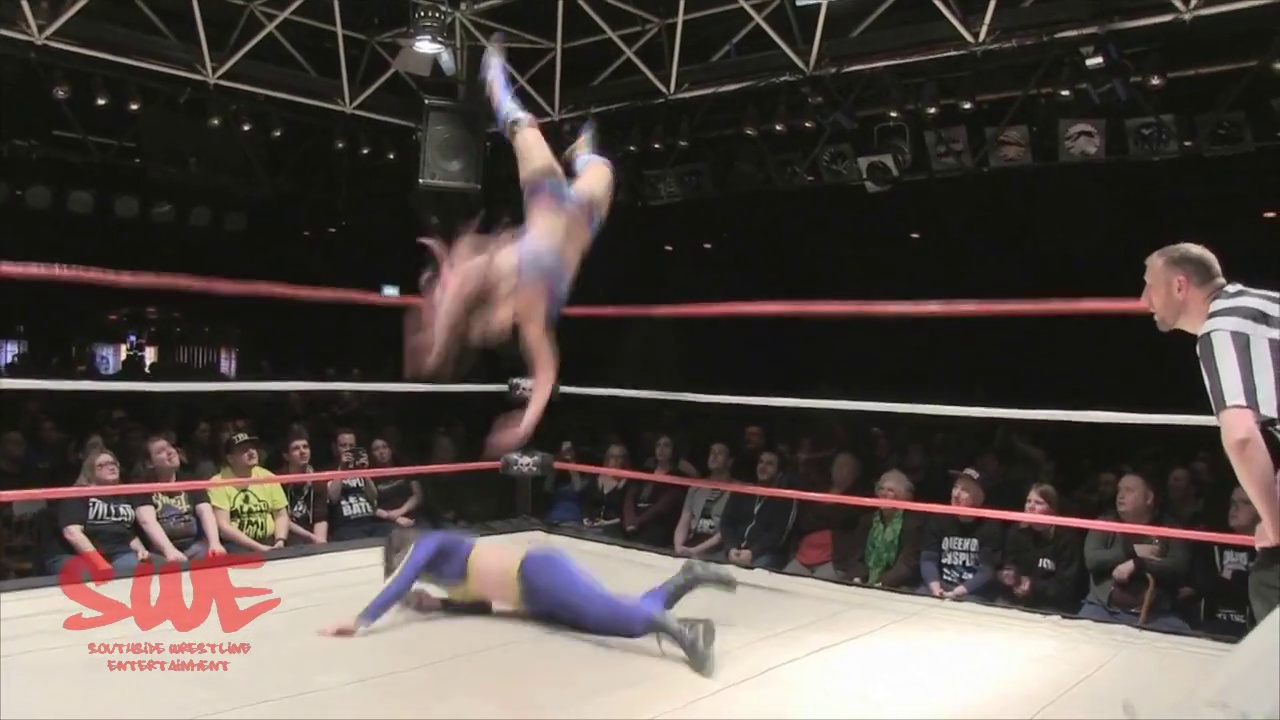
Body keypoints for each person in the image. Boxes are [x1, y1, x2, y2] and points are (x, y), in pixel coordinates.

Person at [407, 33, 615, 456]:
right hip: (580, 217)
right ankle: (582, 152)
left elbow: (459, 279)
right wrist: (525, 423)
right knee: (601, 168)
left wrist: (438, 340)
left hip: (546, 199)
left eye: (485, 328)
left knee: (522, 125)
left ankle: (495, 81)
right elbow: (546, 371)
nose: (495, 328)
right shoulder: (530, 314)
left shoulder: (486, 274)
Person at [320, 528, 734, 676]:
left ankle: (682, 632)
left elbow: (402, 578)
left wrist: (360, 620)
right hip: (535, 597)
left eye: (399, 565)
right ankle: (686, 578)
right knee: (612, 618)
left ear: (401, 552)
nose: (409, 580)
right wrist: (440, 606)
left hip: (537, 572)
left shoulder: (430, 543)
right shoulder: (443, 578)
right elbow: (486, 603)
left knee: (616, 619)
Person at [1141, 242, 1280, 624]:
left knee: (1271, 578)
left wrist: (1273, 522)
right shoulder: (1262, 302)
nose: (1144, 299)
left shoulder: (1221, 327)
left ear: (1179, 286)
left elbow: (1241, 436)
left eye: (1150, 285)